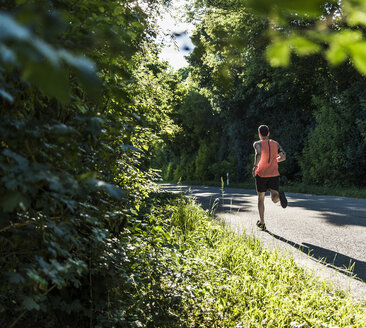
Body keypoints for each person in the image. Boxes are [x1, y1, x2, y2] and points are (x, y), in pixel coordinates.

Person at [252, 125, 287, 230]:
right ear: (268, 133)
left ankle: (262, 223)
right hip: (274, 174)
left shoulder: (257, 143)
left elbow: (258, 154)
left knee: (261, 198)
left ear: (259, 134)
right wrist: (274, 160)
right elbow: (283, 157)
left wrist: (254, 167)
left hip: (261, 174)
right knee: (274, 199)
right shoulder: (275, 143)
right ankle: (280, 196)